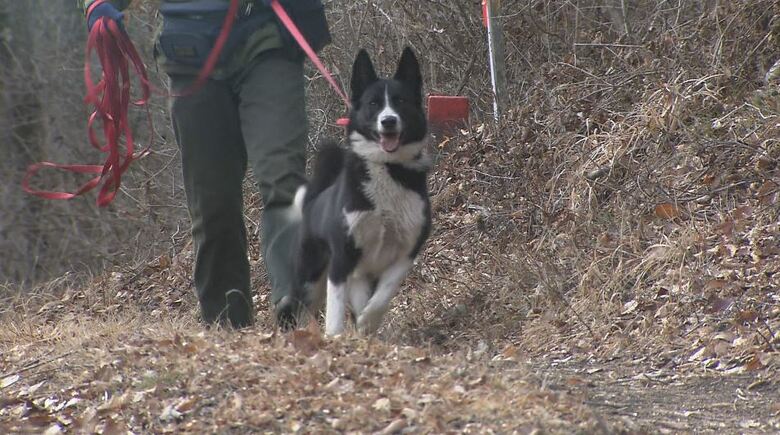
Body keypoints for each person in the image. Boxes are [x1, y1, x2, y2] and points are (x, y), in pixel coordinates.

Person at [82, 0, 331, 329]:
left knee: (283, 180)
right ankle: (226, 326)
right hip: (189, 52)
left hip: (268, 41)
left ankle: (297, 311)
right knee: (212, 204)